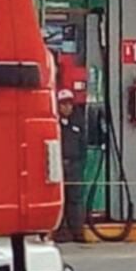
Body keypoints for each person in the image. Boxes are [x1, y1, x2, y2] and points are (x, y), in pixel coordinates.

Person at [57, 89, 87, 242]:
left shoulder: (78, 124)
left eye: (69, 104)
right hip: (58, 166)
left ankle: (77, 232)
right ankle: (60, 232)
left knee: (75, 199)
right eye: (63, 104)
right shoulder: (53, 125)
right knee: (60, 199)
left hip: (74, 166)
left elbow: (83, 145)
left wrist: (80, 163)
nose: (67, 107)